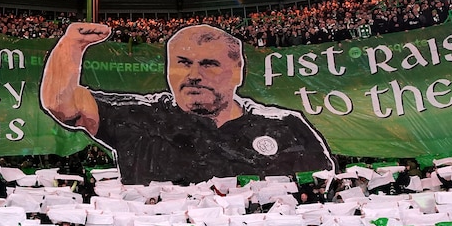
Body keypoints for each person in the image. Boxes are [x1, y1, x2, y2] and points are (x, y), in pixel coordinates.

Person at [41, 23, 335, 185]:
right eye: (182, 64)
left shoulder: (285, 127)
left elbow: (323, 188)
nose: (194, 75)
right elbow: (64, 105)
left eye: (209, 64)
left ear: (238, 71)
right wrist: (72, 45)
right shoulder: (141, 119)